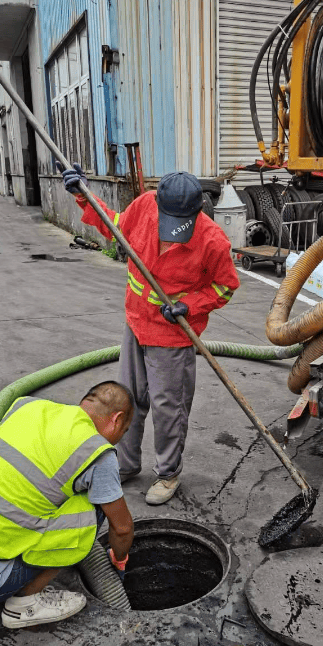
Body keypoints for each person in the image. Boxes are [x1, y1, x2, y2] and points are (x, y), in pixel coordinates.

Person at [60, 166, 240, 505]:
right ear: (158, 205)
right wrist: (83, 194)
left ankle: (168, 473)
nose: (173, 234)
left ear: (196, 211)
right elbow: (112, 225)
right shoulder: (144, 207)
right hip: (136, 322)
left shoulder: (212, 240)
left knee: (168, 408)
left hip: (172, 336)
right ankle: (126, 464)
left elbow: (226, 286)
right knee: (126, 398)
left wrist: (191, 305)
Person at [0, 381, 135, 629]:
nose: (120, 439)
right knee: (96, 507)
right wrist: (119, 560)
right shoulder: (97, 451)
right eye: (125, 430)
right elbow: (121, 528)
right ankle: (23, 606)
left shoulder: (28, 406)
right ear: (117, 419)